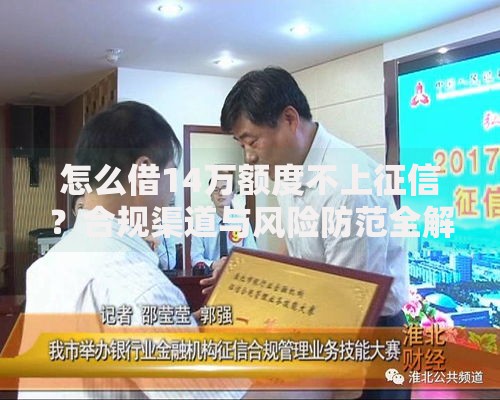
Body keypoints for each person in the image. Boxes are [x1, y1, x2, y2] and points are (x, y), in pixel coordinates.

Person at [205, 67, 411, 400]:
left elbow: (349, 303)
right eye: (241, 144)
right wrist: (242, 276)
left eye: (252, 141)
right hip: (323, 323)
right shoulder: (287, 171)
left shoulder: (348, 186)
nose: (249, 157)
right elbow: (295, 254)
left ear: (289, 119)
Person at [20, 101, 246, 399]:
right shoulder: (141, 288)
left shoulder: (49, 264)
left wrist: (182, 326)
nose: (171, 194)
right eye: (171, 175)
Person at [191, 178, 257, 272]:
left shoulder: (243, 223)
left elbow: (252, 255)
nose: (220, 193)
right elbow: (195, 258)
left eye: (224, 189)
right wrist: (214, 264)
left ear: (232, 194)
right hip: (210, 273)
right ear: (211, 196)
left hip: (237, 273)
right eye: (216, 190)